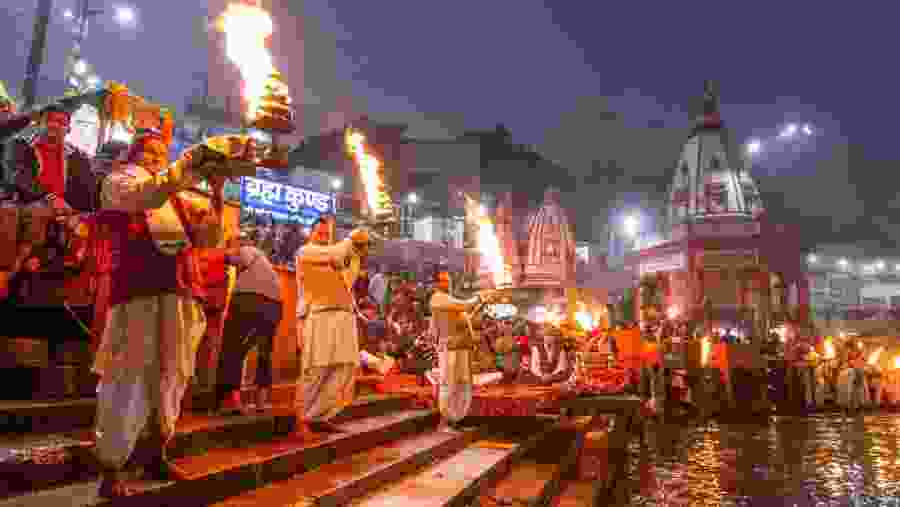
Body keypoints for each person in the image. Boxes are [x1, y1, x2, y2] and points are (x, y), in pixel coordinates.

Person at [90, 129, 251, 497]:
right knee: (128, 373)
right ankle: (112, 467)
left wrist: (216, 191)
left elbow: (209, 239)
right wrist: (186, 166)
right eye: (149, 152)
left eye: (161, 154)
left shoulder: (175, 196)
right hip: (138, 291)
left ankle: (155, 451)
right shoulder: (119, 182)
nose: (155, 159)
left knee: (172, 375)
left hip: (179, 292)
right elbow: (146, 195)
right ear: (133, 155)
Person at [294, 215, 370, 438]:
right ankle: (301, 420)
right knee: (316, 370)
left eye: (327, 234)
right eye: (320, 233)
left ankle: (319, 416)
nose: (324, 237)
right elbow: (335, 253)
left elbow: (348, 280)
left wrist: (356, 254)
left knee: (344, 368)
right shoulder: (306, 252)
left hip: (343, 317)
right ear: (311, 234)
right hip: (319, 316)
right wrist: (352, 239)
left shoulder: (334, 258)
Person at [215, 235, 283, 414]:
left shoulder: (248, 250)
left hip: (249, 299)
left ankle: (231, 401)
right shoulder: (265, 262)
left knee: (232, 347)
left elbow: (237, 257)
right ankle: (261, 402)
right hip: (275, 304)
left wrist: (223, 254)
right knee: (264, 351)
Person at [430, 271, 490, 429]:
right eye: (443, 281)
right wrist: (479, 297)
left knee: (462, 384)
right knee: (449, 384)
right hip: (450, 349)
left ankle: (456, 420)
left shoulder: (450, 302)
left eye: (448, 280)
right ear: (436, 284)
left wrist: (480, 304)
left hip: (462, 349)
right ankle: (446, 420)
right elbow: (465, 305)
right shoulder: (438, 298)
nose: (447, 283)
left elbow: (465, 318)